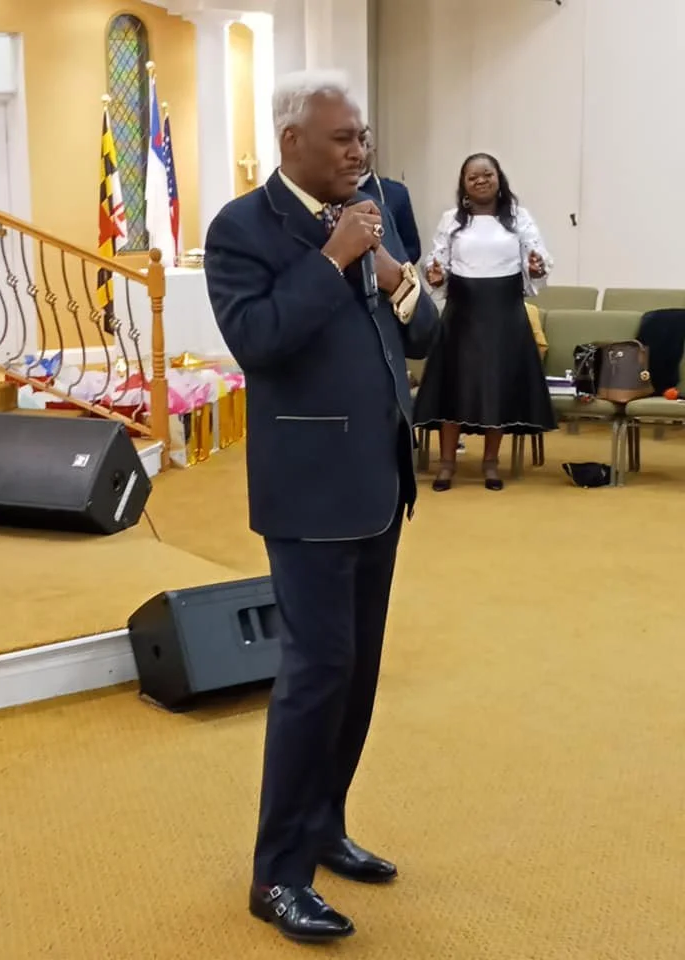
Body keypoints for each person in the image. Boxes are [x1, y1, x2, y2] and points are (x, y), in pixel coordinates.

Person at [204, 70, 437, 944]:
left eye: (363, 135)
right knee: (316, 675)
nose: (359, 150)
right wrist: (333, 258)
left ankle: (325, 825)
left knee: (357, 671)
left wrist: (394, 273)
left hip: (379, 479)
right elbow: (258, 341)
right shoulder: (242, 227)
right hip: (307, 491)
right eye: (343, 137)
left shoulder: (383, 207)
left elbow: (424, 334)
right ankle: (278, 875)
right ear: (291, 140)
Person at [414, 152, 556, 491]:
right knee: (453, 387)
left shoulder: (518, 218)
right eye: (473, 177)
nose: (481, 181)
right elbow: (436, 263)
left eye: (487, 174)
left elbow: (537, 260)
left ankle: (491, 463)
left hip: (505, 312)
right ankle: (447, 464)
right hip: (462, 313)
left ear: (498, 178)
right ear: (464, 184)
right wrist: (434, 274)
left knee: (497, 386)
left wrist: (536, 266)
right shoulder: (451, 220)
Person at [358, 126, 422, 264]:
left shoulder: (396, 192)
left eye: (366, 145)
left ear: (374, 151)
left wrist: (394, 266)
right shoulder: (328, 192)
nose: (360, 152)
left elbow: (412, 248)